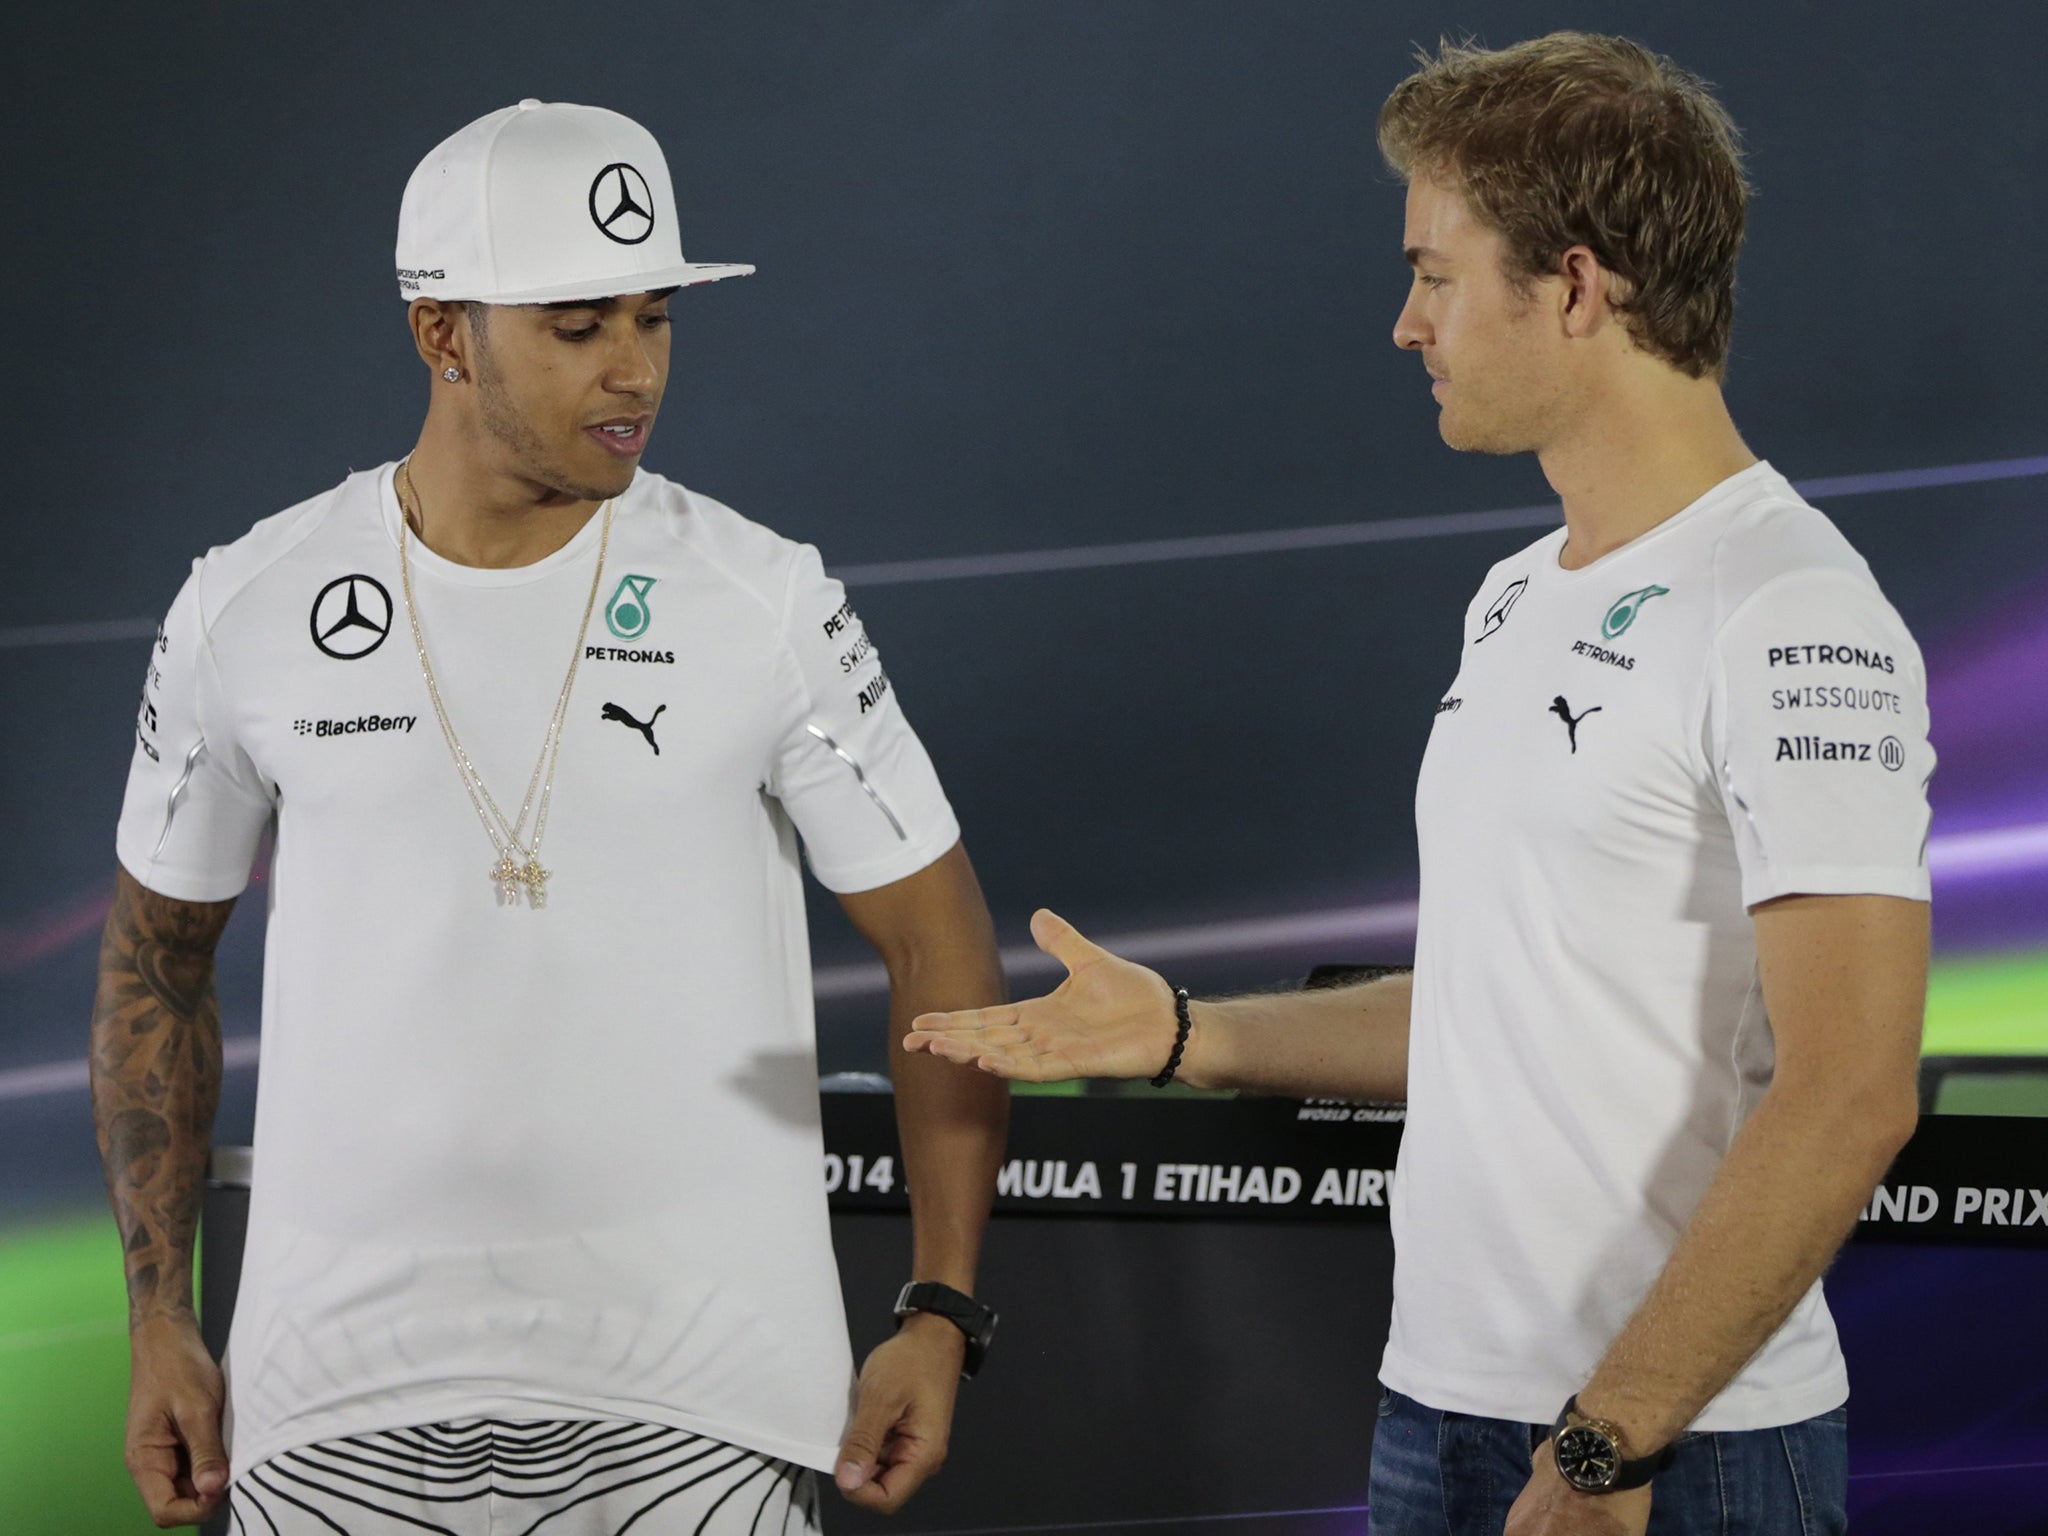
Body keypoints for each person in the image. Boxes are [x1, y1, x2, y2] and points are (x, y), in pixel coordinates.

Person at [905, 34, 1930, 1536]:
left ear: (1577, 289)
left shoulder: (1791, 610)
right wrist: (1189, 1033)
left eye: (1436, 275)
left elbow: (1850, 1095)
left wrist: (1608, 1446)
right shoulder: (1514, 597)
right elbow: (1494, 1006)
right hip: (1440, 1419)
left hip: (1671, 1460)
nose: (1404, 324)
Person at [90, 99, 1009, 1534]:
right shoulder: (244, 607)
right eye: (579, 327)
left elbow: (942, 949)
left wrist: (941, 1308)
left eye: (655, 318)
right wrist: (158, 1317)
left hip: (704, 1414)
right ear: (441, 334)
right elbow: (155, 965)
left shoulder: (764, 599)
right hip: (332, 1417)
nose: (634, 370)